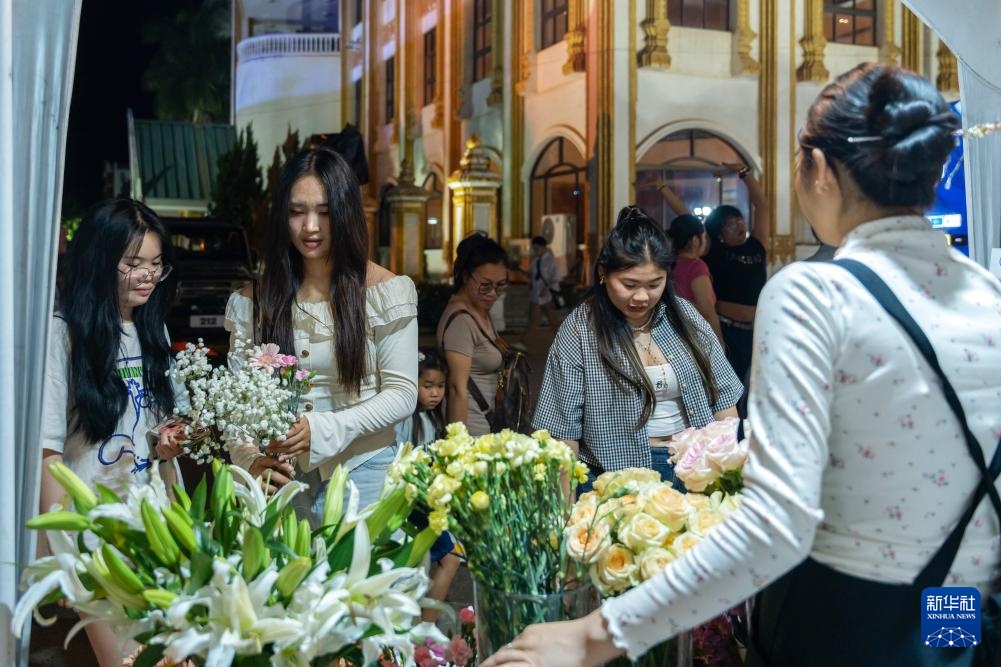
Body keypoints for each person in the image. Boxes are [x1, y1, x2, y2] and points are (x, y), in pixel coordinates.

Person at [483, 64, 1001, 667]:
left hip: (846, 615)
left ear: (820, 169)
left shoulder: (814, 295)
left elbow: (778, 522)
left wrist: (595, 636)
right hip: (960, 605)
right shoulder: (988, 295)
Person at [224, 146, 418, 519]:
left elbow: (402, 393)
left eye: (325, 213)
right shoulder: (253, 302)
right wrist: (249, 460)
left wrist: (321, 428)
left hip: (365, 469)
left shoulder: (385, 291)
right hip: (281, 475)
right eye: (296, 212)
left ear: (345, 214)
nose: (310, 227)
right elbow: (238, 403)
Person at [39, 198, 186, 667]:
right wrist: (66, 557)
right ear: (100, 260)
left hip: (157, 530)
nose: (148, 276)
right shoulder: (63, 336)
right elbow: (47, 455)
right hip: (97, 539)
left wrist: (169, 442)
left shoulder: (154, 331)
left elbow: (158, 431)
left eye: (156, 265)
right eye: (133, 264)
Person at [533, 206, 743, 491]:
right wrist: (565, 504)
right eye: (629, 284)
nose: (642, 297)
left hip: (694, 468)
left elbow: (723, 401)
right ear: (603, 273)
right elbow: (562, 431)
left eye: (655, 283)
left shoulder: (684, 316)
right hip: (615, 477)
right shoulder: (580, 329)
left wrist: (731, 474)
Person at [394, 348, 462, 622]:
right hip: (412, 504)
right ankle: (426, 626)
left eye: (440, 386)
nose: (435, 393)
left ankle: (425, 624)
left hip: (426, 502)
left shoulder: (431, 418)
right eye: (428, 386)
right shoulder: (404, 421)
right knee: (450, 557)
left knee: (446, 559)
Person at [437, 233, 509, 436]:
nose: (493, 293)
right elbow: (456, 389)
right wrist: (458, 444)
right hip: (473, 430)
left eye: (500, 285)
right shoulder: (461, 321)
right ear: (465, 276)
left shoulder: (479, 309)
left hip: (489, 423)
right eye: (485, 285)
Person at [667, 214, 723, 345]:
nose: (706, 241)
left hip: (674, 333)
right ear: (695, 240)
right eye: (704, 237)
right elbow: (707, 312)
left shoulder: (668, 263)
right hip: (695, 336)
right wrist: (719, 341)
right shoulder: (696, 267)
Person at [519, 236, 563, 333]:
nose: (535, 251)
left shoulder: (551, 260)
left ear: (543, 247)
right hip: (536, 295)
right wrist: (524, 273)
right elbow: (531, 274)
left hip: (548, 296)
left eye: (537, 248)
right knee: (533, 321)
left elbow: (556, 278)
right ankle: (525, 340)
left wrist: (546, 288)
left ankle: (564, 339)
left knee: (553, 321)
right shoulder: (535, 261)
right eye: (534, 249)